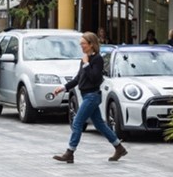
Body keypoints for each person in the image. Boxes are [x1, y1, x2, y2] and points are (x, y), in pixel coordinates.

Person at [50, 31, 128, 164]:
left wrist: (86, 64)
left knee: (77, 122)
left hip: (92, 96)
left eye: (83, 44)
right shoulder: (85, 59)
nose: (81, 46)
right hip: (86, 95)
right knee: (100, 125)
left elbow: (95, 78)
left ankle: (70, 152)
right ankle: (119, 147)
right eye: (81, 44)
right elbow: (78, 78)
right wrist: (63, 87)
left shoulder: (97, 59)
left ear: (91, 44)